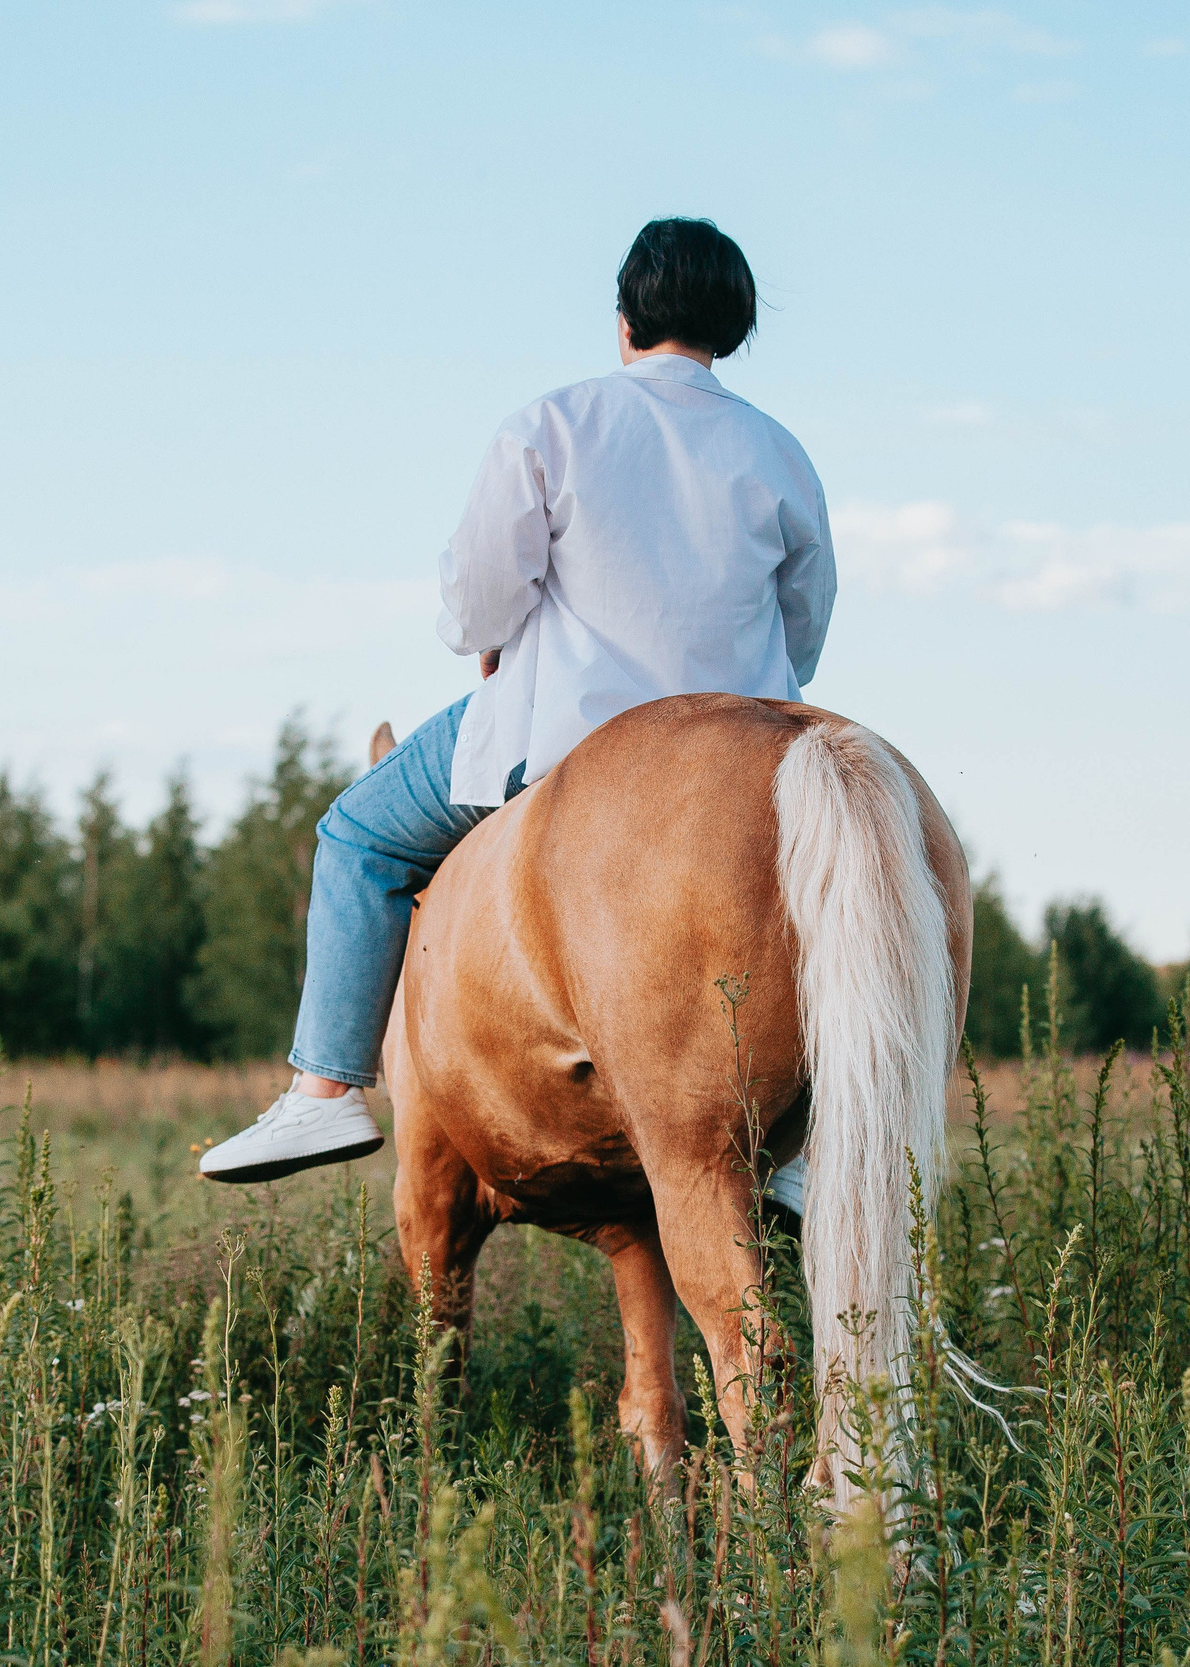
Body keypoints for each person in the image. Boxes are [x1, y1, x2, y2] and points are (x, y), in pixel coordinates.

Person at [199, 217, 837, 1184]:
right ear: (736, 327)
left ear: (624, 321)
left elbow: (476, 608)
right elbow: (807, 625)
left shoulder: (553, 426)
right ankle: (800, 1137)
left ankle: (323, 1094)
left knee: (357, 837)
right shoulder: (780, 451)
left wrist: (498, 635)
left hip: (571, 741)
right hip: (747, 754)